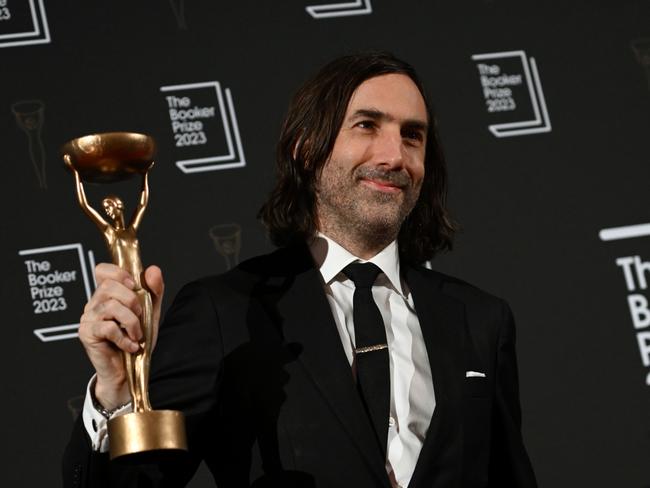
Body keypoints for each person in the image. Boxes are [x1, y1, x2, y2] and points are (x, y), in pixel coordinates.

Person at [62, 52, 538, 488]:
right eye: (367, 126)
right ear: (306, 148)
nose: (395, 156)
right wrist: (116, 394)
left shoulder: (480, 319)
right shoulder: (227, 311)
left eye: (412, 136)